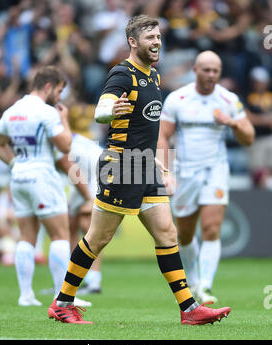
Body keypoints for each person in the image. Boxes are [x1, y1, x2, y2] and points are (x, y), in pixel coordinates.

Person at [48, 15, 231, 325]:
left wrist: (155, 159)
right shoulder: (122, 73)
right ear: (133, 42)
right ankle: (63, 302)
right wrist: (109, 112)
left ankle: (189, 310)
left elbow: (143, 126)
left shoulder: (153, 76)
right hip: (121, 167)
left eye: (158, 36)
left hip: (145, 166)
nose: (157, 42)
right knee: (98, 238)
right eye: (150, 38)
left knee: (167, 233)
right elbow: (102, 110)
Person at [158, 50, 255, 303]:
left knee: (212, 228)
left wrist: (233, 124)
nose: (211, 75)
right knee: (186, 234)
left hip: (216, 169)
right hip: (185, 171)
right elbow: (162, 136)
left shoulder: (228, 100)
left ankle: (206, 286)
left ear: (220, 73)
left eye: (215, 71)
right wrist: (166, 171)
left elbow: (249, 137)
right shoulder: (178, 98)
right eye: (206, 70)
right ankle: (193, 279)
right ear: (195, 70)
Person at [0, 66, 73, 307]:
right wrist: (64, 120)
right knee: (60, 235)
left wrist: (14, 162)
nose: (59, 96)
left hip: (19, 176)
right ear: (48, 87)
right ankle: (61, 296)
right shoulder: (46, 112)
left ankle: (25, 295)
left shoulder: (13, 110)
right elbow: (66, 146)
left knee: (26, 237)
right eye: (58, 90)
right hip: (42, 174)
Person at [55, 133, 104, 295]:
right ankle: (69, 280)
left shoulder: (56, 144)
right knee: (69, 225)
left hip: (99, 171)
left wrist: (90, 200)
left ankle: (93, 281)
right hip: (87, 173)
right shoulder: (60, 131)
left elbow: (74, 172)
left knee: (88, 225)